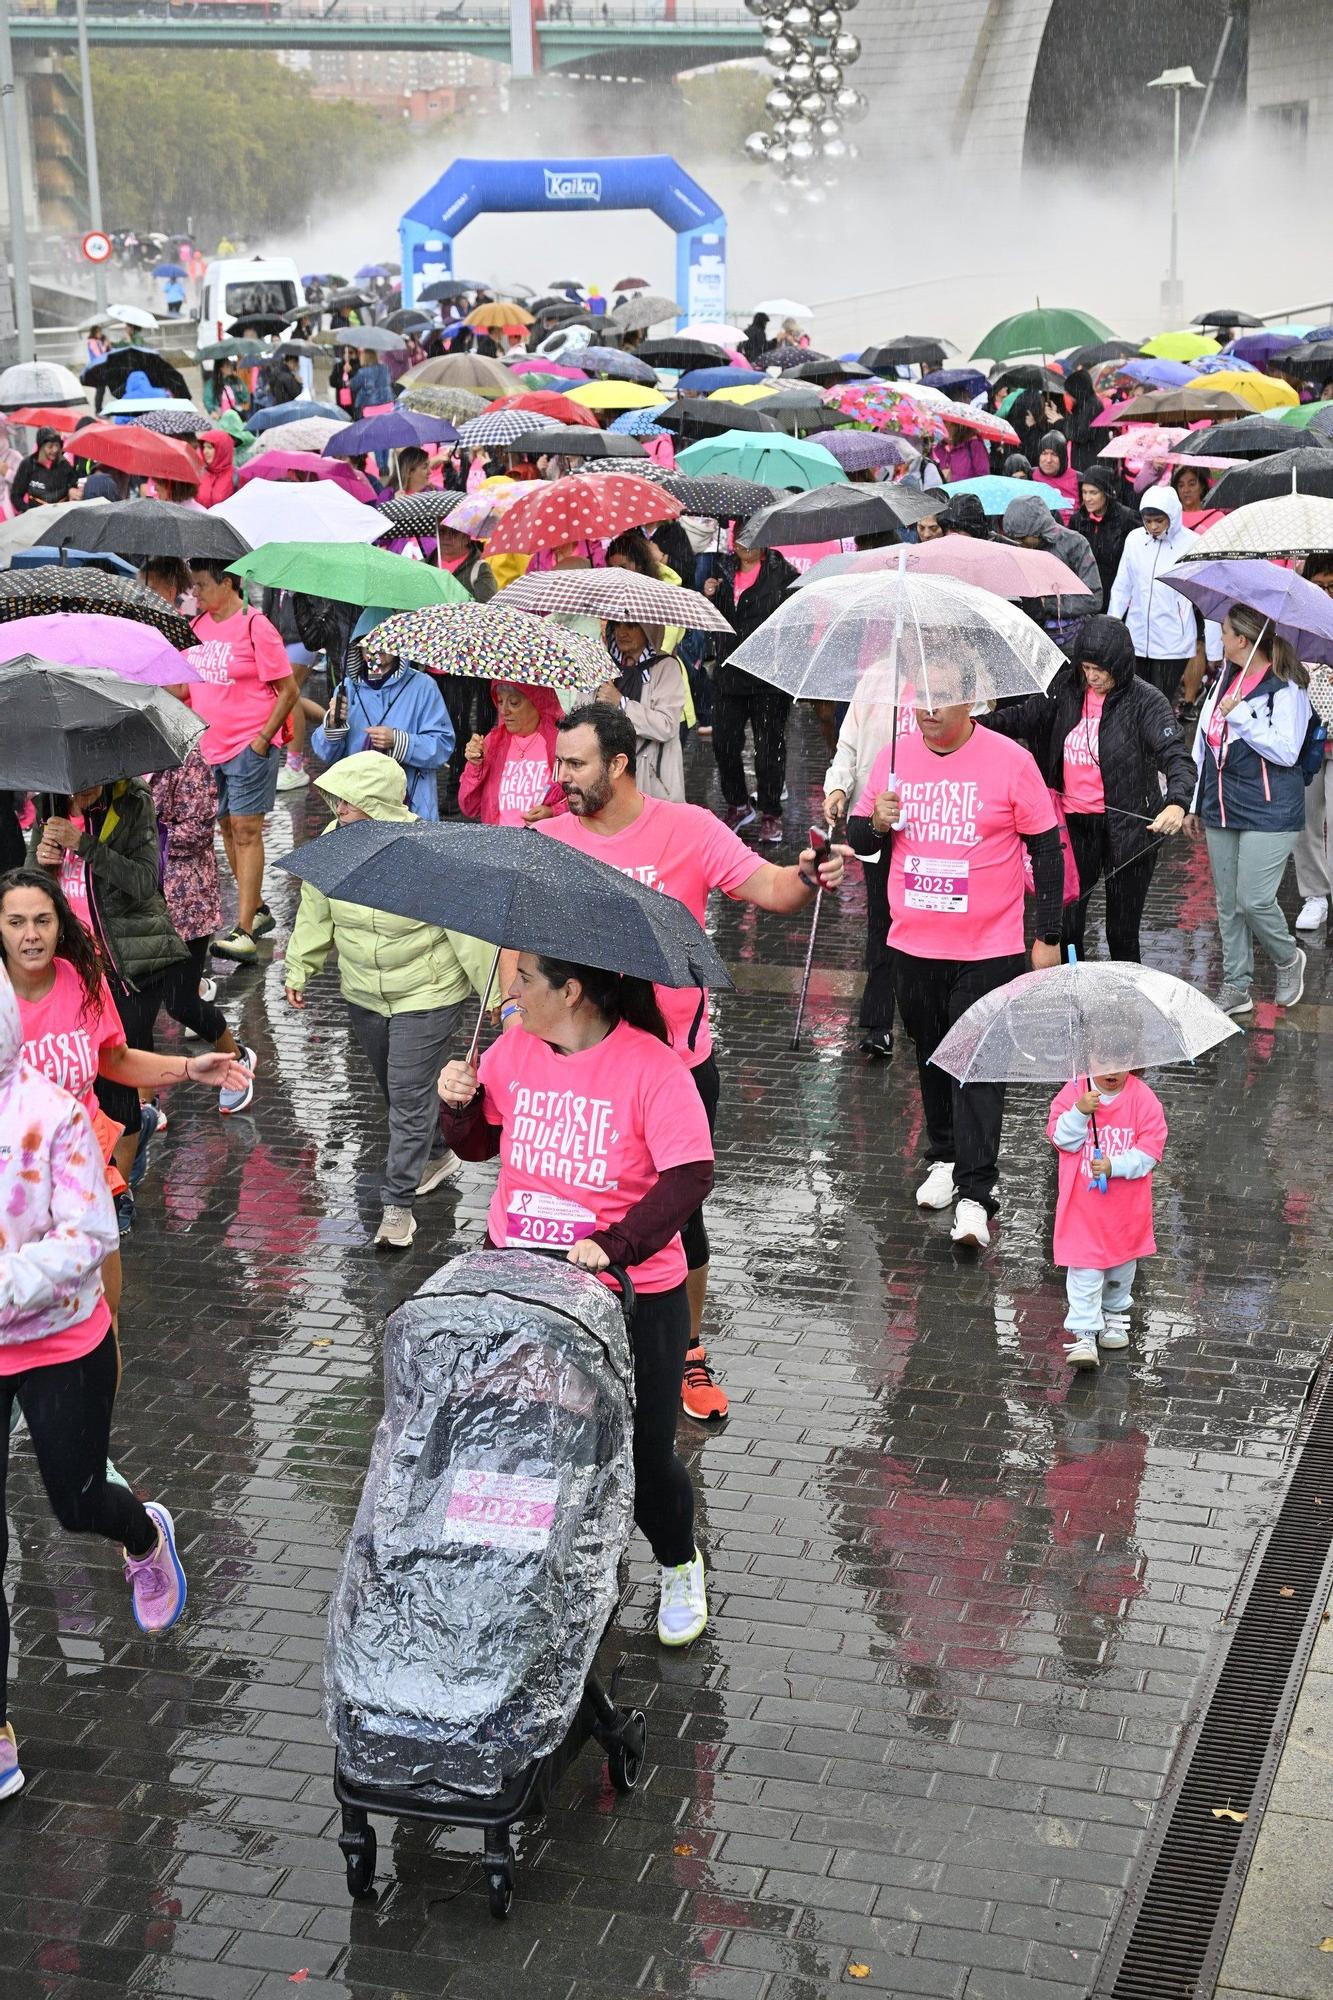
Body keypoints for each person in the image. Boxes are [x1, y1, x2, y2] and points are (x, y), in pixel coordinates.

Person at [533, 703, 847, 1423]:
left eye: (575, 764)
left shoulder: (687, 829)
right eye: (557, 763)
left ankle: (688, 1352)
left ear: (618, 763)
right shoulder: (548, 840)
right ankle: (584, 1339)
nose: (562, 778)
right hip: (581, 1070)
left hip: (675, 1069)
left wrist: (806, 872)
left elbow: (770, 890)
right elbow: (527, 951)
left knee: (677, 1218)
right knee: (579, 1210)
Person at [438, 954, 714, 1647]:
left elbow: (688, 1179)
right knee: (520, 1441)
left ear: (572, 991)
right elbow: (476, 1146)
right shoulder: (513, 1049)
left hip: (632, 1300)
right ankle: (536, 1578)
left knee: (643, 1456)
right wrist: (457, 1105)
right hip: (523, 1286)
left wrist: (617, 1245)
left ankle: (679, 1563)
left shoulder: (652, 1068)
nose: (513, 990)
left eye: (526, 978)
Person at [0, 966, 187, 1805]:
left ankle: (142, 1535)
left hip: (58, 1339)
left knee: (76, 1502)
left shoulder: (52, 1115)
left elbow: (89, 1233)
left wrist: (9, 1282)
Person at [846, 677, 1065, 1249]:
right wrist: (875, 823)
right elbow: (859, 838)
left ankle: (976, 1193)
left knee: (979, 1064)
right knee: (932, 1051)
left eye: (939, 702)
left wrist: (1047, 934)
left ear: (973, 702)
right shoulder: (893, 754)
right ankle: (943, 1156)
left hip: (988, 947)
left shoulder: (1011, 761)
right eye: (918, 701)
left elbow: (1045, 844)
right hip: (913, 943)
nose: (925, 713)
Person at [0, 868, 250, 1294]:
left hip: (85, 1173)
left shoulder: (81, 980)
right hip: (14, 1189)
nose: (31, 935)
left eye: (43, 920)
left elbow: (114, 1059)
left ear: (61, 924)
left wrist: (189, 1068)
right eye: (16, 922)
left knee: (104, 1309)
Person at [285, 757, 492, 1250]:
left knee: (405, 1094)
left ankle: (397, 1208)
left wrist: (501, 997)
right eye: (335, 799)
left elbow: (466, 929)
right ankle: (438, 1153)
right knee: (400, 1092)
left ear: (376, 804)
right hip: (364, 994)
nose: (338, 809)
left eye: (348, 801)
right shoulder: (332, 846)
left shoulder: (429, 853)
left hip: (428, 993)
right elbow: (315, 912)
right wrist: (300, 966)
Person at [985, 616, 1195, 962]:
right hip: (1073, 827)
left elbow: (1177, 758)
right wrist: (973, 725)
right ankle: (1072, 989)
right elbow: (1022, 717)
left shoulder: (1147, 701)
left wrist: (1176, 802)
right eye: (1086, 668)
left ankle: (1124, 998)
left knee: (1121, 931)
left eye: (1101, 670)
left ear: (1120, 667)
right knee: (1067, 925)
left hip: (1129, 831)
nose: (1093, 677)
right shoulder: (1068, 689)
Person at [1188, 603, 1313, 1016]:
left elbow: (1287, 751)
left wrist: (1242, 715)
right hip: (1222, 804)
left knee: (1253, 899)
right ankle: (1236, 984)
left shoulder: (1285, 686)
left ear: (1242, 640)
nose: (1218, 641)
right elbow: (1204, 744)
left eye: (1223, 634)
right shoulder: (1223, 677)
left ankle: (1287, 958)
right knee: (1227, 903)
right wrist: (1191, 803)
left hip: (1271, 808)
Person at [187, 561, 300, 962]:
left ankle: (245, 929)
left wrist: (262, 740)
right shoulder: (197, 626)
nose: (195, 594)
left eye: (201, 585)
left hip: (249, 746)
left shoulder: (257, 626)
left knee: (246, 831)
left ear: (228, 582)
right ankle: (259, 910)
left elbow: (288, 690)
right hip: (210, 747)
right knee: (228, 831)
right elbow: (191, 685)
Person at [1047, 1056, 1167, 1371]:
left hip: (1125, 1212)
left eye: (1121, 1062)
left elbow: (1151, 1150)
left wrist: (1116, 1166)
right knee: (1085, 1273)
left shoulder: (1143, 1099)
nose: (1111, 1071)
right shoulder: (1075, 1091)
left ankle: (1114, 1317)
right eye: (1103, 1062)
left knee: (1120, 1271)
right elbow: (1062, 1140)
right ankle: (1084, 1333)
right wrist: (1079, 1112)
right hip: (1082, 1211)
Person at [823, 674, 905, 1059]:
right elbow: (849, 746)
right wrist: (838, 787)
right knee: (882, 922)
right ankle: (878, 1023)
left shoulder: (947, 678)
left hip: (931, 832)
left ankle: (927, 1014)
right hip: (873, 822)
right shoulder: (874, 678)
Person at [706, 541, 800, 844]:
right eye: (739, 535)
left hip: (768, 677)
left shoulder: (783, 574)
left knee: (769, 749)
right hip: (729, 673)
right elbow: (713, 618)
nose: (743, 543)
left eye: (751, 535)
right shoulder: (722, 569)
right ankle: (738, 803)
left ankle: (771, 812)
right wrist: (710, 593)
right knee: (724, 741)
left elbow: (796, 621)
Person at [1108, 484, 1223, 711]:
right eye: (1147, 521)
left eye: (1159, 521)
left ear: (1172, 516)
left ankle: (1158, 744)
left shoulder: (1192, 545)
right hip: (1137, 637)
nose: (1153, 527)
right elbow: (1122, 586)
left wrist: (1214, 648)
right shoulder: (1134, 540)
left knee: (1159, 703)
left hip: (1174, 641)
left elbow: (1209, 598)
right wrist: (1113, 624)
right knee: (1134, 700)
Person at [310, 646, 453, 822]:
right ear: (358, 648)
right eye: (368, 644)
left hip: (412, 805)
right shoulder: (346, 688)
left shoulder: (423, 686)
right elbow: (327, 754)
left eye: (384, 644)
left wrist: (399, 741)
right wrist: (333, 724)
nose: (376, 649)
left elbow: (442, 746)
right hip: (359, 810)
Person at [998, 492, 1104, 648]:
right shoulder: (1014, 546)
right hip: (1028, 639)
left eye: (1022, 538)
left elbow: (1094, 599)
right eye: (1014, 539)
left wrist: (1046, 604)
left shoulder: (1075, 544)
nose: (1018, 544)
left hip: (1069, 641)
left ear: (1038, 530)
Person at [1292, 551, 1333, 932]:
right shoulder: (1296, 624)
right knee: (1304, 821)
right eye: (1318, 587)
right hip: (1308, 740)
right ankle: (1314, 894)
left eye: (1332, 587)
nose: (1325, 594)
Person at [600, 621, 686, 803]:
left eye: (631, 625)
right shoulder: (605, 665)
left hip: (654, 777)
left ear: (649, 629)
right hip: (612, 775)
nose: (622, 632)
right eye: (617, 625)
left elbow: (666, 726)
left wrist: (621, 703)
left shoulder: (666, 667)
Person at [459, 682, 567, 825]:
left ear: (538, 702)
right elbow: (469, 808)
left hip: (543, 843)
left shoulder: (561, 744)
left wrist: (553, 812)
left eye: (514, 702)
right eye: (500, 701)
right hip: (498, 844)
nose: (503, 711)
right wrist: (475, 766)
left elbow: (581, 802)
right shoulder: (493, 742)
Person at [1069, 466, 1139, 604]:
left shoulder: (1127, 519)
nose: (1087, 498)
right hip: (1086, 592)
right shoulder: (1078, 520)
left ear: (1106, 492)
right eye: (1084, 492)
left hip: (1117, 592)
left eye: (1093, 493)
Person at [10, 429, 78, 512]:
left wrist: (71, 489)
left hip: (61, 515)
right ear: (41, 447)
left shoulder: (63, 464)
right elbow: (16, 495)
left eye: (57, 445)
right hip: (38, 519)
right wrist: (28, 511)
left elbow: (73, 484)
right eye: (50, 446)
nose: (55, 450)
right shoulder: (28, 464)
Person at [1032, 431, 1080, 506]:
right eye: (1044, 453)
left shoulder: (1078, 479)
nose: (1048, 460)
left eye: (1054, 454)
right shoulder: (1030, 475)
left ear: (1063, 457)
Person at [196, 430, 236, 510]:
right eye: (204, 447)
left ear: (222, 449)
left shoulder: (236, 476)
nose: (205, 451)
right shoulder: (200, 474)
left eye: (210, 447)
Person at [349, 349, 394, 420]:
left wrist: (350, 374)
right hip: (387, 405)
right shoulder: (385, 368)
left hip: (371, 407)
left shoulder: (363, 372)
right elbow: (389, 381)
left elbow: (353, 386)